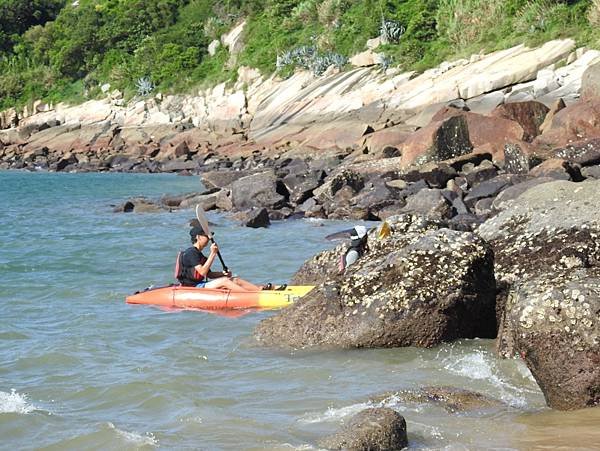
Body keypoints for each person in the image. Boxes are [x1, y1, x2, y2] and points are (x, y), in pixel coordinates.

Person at [176, 226, 264, 291]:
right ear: (198, 237)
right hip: (192, 287)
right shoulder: (191, 253)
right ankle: (250, 296)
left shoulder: (200, 255)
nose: (209, 238)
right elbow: (202, 272)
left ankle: (258, 290)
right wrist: (213, 253)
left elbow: (209, 275)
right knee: (224, 281)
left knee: (234, 280)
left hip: (201, 284)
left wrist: (223, 274)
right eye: (206, 236)